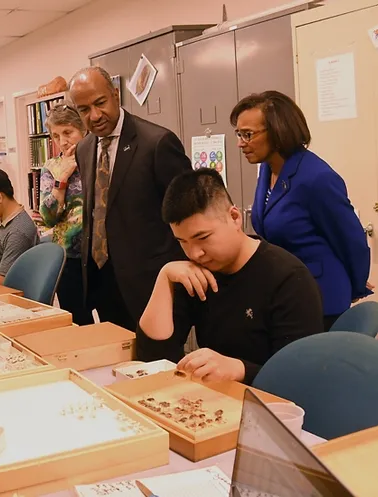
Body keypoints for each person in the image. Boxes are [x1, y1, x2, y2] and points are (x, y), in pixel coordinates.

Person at [139, 169, 324, 385]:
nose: (194, 253)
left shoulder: (288, 279)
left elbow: (301, 377)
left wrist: (240, 369)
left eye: (203, 237)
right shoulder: (196, 271)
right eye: (182, 242)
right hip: (214, 400)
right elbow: (152, 359)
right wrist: (165, 278)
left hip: (269, 407)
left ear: (235, 218)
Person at [68, 66, 191, 357]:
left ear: (115, 94)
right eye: (84, 109)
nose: (95, 116)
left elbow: (188, 211)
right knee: (118, 362)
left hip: (149, 282)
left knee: (159, 366)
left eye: (100, 103)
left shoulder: (157, 143)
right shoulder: (84, 148)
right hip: (102, 277)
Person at [231, 91, 372, 330]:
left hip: (322, 297)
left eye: (248, 134)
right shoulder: (268, 170)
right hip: (285, 291)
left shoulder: (317, 178)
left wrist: (355, 285)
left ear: (278, 131)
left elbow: (351, 238)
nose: (240, 143)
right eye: (239, 133)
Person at [39, 102, 93, 324]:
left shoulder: (98, 162)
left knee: (113, 315)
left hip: (100, 254)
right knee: (79, 319)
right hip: (69, 256)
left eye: (68, 132)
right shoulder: (51, 168)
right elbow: (48, 217)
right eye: (56, 136)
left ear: (84, 130)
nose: (63, 141)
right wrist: (62, 180)